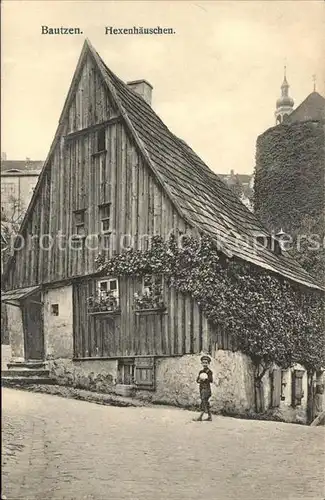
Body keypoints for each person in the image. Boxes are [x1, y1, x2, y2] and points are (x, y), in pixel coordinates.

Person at [195, 355, 213, 421]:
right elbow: (197, 380)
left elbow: (211, 380)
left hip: (207, 389)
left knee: (203, 402)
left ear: (208, 363)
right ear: (201, 363)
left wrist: (205, 379)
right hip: (201, 389)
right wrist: (199, 380)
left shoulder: (209, 372)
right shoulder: (201, 372)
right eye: (203, 362)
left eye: (206, 362)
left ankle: (200, 417)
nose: (205, 364)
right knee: (206, 402)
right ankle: (210, 417)